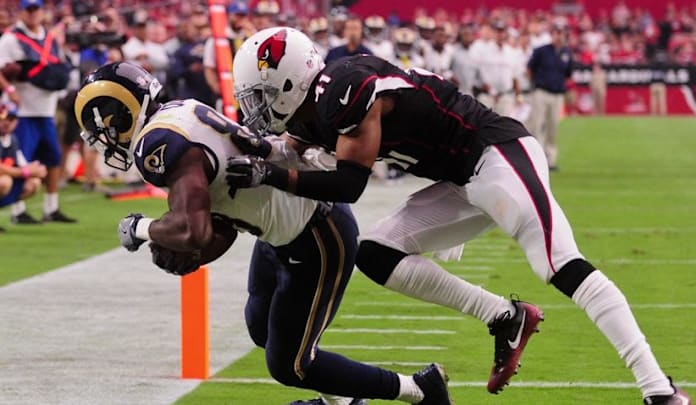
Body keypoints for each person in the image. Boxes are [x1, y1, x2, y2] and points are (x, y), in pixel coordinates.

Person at [227, 27, 693, 404]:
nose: (257, 108)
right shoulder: (315, 110)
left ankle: (660, 390)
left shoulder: (345, 89)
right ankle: (503, 317)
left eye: (261, 95)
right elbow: (294, 150)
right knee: (375, 253)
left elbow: (349, 183)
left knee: (558, 263)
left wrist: (267, 174)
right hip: (458, 180)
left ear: (290, 82)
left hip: (497, 153)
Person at [74, 62, 452, 405]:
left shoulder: (157, 143)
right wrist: (195, 247)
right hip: (281, 232)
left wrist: (141, 229)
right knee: (262, 328)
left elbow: (193, 229)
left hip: (316, 232)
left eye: (101, 126)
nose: (103, 137)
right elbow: (220, 223)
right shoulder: (180, 112)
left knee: (292, 366)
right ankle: (344, 401)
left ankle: (419, 389)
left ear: (119, 113)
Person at [0, 0, 76, 223]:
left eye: (36, 9)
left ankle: (51, 207)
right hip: (21, 110)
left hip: (46, 107)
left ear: (42, 12)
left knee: (53, 157)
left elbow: (59, 65)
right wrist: (10, 88)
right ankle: (17, 210)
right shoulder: (11, 39)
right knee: (20, 159)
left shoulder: (50, 38)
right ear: (22, 12)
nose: (33, 14)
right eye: (28, 10)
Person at [526, 24, 573, 171]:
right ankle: (536, 159)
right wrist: (534, 85)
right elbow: (529, 69)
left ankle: (550, 160)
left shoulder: (567, 53)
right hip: (541, 92)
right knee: (537, 125)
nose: (558, 36)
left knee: (553, 127)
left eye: (561, 33)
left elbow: (568, 74)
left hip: (557, 94)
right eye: (556, 33)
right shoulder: (541, 51)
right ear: (551, 34)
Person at [0, 102, 47, 231]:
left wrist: (36, 170)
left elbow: (23, 165)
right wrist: (25, 172)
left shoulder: (12, 139)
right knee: (4, 182)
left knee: (33, 183)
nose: (6, 123)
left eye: (11, 119)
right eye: (3, 118)